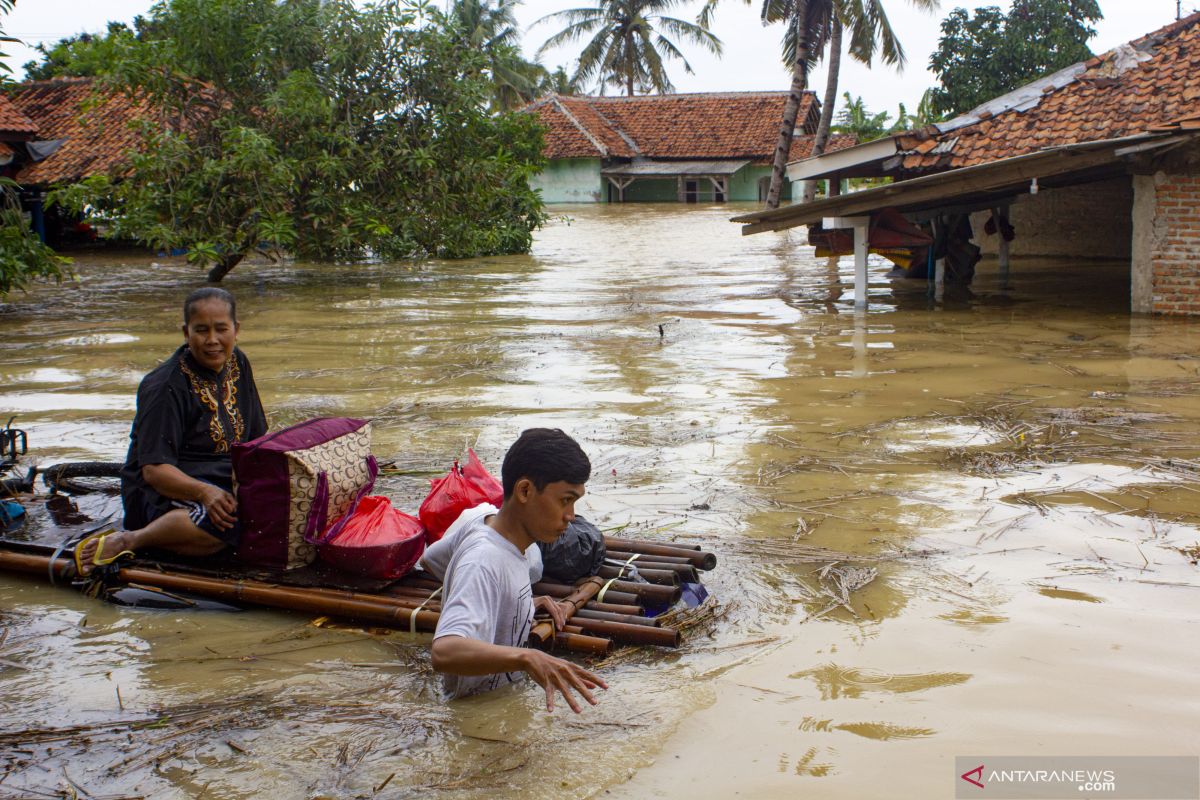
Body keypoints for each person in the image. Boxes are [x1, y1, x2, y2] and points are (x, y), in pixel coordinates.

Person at [74, 288, 267, 572]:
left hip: (223, 476)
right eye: (201, 330)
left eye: (221, 329)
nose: (212, 340)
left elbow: (257, 438)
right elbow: (154, 471)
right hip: (163, 489)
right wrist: (205, 493)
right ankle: (131, 540)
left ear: (236, 330)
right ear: (186, 333)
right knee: (225, 526)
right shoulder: (165, 386)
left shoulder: (238, 362)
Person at [425, 428, 608, 713]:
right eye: (565, 500)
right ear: (525, 491)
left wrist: (511, 603)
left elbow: (431, 557)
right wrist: (526, 657)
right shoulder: (483, 560)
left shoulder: (488, 526)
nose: (571, 516)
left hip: (501, 702)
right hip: (475, 715)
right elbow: (444, 651)